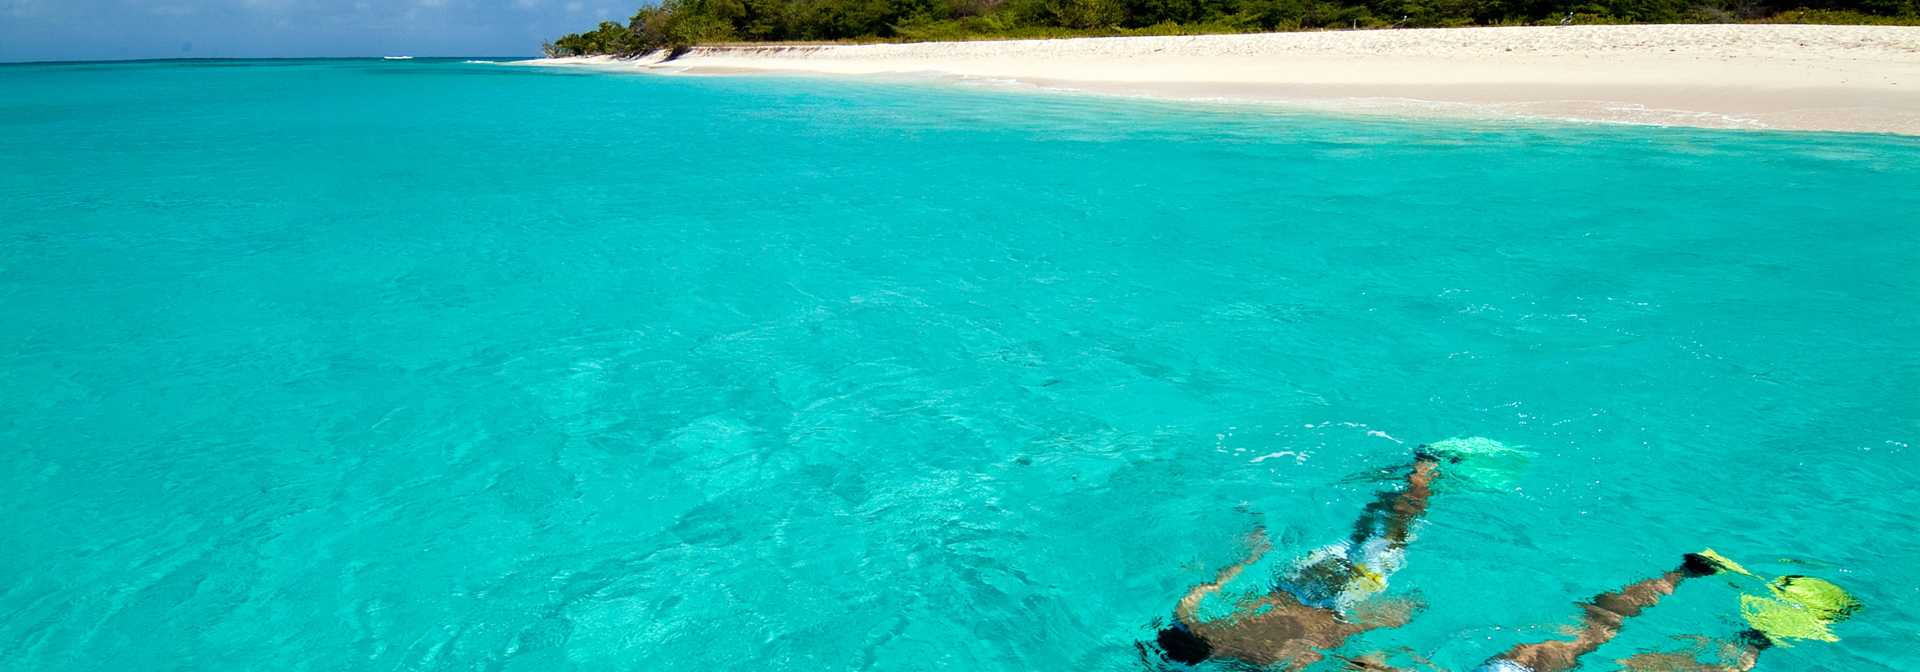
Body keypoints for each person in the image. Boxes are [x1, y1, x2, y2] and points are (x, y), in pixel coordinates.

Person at [1154, 452, 1440, 669]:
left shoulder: (1267, 659)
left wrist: (1385, 619)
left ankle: (1423, 474)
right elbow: (1217, 582)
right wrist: (1256, 553)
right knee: (1364, 531)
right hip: (1301, 579)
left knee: (1391, 535)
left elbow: (1333, 638)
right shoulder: (1188, 614)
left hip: (1343, 596)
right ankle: (1412, 479)